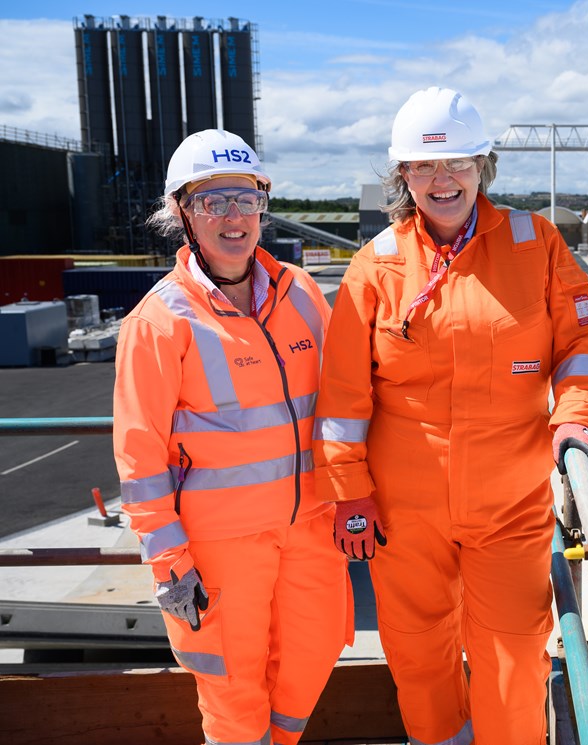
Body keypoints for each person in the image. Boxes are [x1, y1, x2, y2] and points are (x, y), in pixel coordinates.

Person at [313, 87, 588, 744]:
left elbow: (584, 344)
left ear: (484, 166)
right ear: (404, 176)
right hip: (402, 510)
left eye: (457, 164)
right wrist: (348, 490)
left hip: (509, 505)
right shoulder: (377, 267)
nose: (441, 180)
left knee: (511, 657)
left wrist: (578, 420)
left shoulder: (537, 244)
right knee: (419, 656)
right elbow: (341, 398)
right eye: (424, 167)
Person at [112, 129, 353, 745]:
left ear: (263, 207)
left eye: (245, 199)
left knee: (312, 659)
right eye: (212, 201)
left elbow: (343, 402)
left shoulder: (301, 293)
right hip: (220, 549)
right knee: (232, 691)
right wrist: (168, 564)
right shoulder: (160, 322)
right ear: (181, 213)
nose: (233, 217)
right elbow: (139, 456)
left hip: (311, 532)